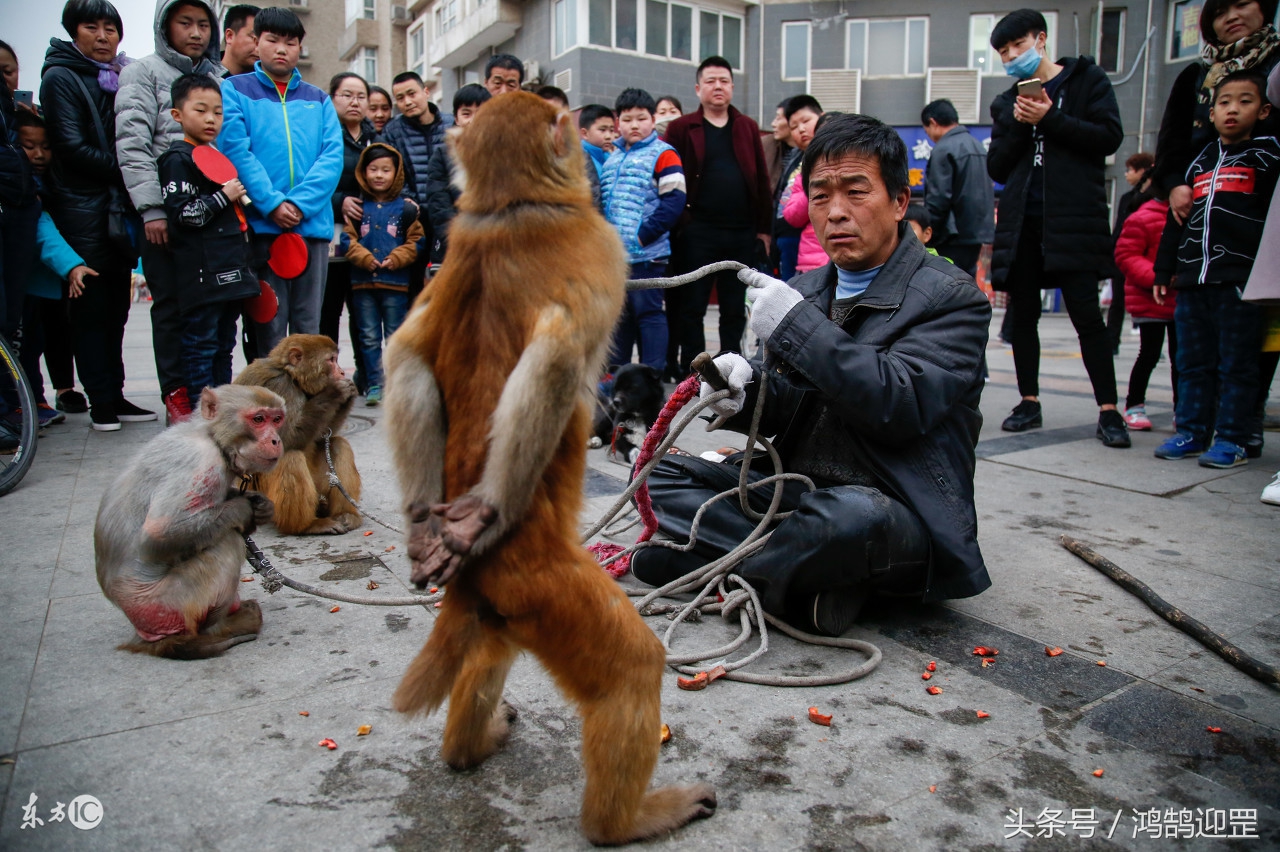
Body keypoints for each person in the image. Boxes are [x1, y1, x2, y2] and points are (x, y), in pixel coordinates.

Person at [633, 113, 991, 637]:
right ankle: (800, 584)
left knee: (849, 520)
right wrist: (746, 390)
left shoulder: (952, 297)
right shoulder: (807, 287)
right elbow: (793, 405)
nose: (836, 212)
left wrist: (798, 326)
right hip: (794, 491)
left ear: (898, 202)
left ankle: (710, 567)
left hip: (893, 505)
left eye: (856, 192)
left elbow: (896, 405)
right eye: (820, 196)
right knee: (660, 474)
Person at [985, 9, 1128, 448]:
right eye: (1004, 52)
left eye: (1017, 46)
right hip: (1024, 218)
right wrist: (1021, 126)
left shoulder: (1087, 81)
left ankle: (1108, 409)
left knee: (1086, 314)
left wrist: (1050, 118)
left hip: (1073, 218)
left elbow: (1108, 138)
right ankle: (1029, 400)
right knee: (1023, 314)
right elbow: (998, 167)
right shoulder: (1007, 102)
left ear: (1040, 39)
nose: (1011, 56)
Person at [1153, 0, 1280, 459]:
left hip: (1240, 276)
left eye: (1245, 102)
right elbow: (1178, 210)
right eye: (1223, 102)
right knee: (1192, 361)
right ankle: (1191, 428)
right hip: (1194, 277)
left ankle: (1234, 434)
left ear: (1265, 110)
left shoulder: (1266, 157)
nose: (1231, 110)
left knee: (1239, 362)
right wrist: (1165, 270)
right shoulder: (1199, 161)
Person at [42, 0, 158, 432]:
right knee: (91, 312)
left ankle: (116, 394)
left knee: (116, 311)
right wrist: (134, 167)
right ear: (75, 32)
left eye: (111, 27)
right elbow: (71, 147)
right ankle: (101, 403)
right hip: (81, 211)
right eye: (92, 27)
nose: (104, 36)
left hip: (115, 210)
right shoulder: (61, 76)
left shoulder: (118, 77)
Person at [115, 0, 223, 424]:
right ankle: (176, 395)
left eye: (202, 24)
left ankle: (215, 396)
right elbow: (131, 143)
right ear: (165, 25)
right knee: (171, 307)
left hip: (212, 215)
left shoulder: (218, 77)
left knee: (211, 309)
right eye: (185, 23)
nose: (196, 32)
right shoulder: (141, 72)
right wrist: (151, 209)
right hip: (166, 212)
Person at [218, 6, 343, 351]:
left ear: (300, 47)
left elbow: (331, 157)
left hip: (312, 227)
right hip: (263, 227)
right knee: (268, 324)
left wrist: (299, 205)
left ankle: (306, 403)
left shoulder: (318, 99)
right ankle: (272, 403)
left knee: (308, 326)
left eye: (291, 42)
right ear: (257, 43)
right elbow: (236, 152)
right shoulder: (235, 90)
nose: (281, 49)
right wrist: (272, 203)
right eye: (272, 40)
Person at [664, 56, 773, 377]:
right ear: (698, 88)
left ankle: (730, 366)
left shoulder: (747, 127)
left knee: (732, 308)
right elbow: (670, 179)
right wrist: (681, 225)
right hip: (697, 232)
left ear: (732, 87)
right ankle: (694, 369)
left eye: (724, 81)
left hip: (740, 232)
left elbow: (762, 182)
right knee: (692, 306)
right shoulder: (682, 128)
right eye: (710, 81)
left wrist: (763, 231)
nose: (718, 87)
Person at [158, 74, 260, 399]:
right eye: (200, 110)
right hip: (202, 277)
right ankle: (199, 419)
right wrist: (223, 196)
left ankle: (222, 412)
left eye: (217, 112)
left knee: (223, 346)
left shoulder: (218, 156)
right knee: (200, 346)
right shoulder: (177, 160)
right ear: (177, 115)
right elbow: (183, 215)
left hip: (231, 273)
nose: (210, 119)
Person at [12, 110, 94, 428]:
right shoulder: (21, 185)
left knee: (35, 342)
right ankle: (24, 404)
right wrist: (71, 264)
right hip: (25, 281)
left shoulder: (48, 182)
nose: (39, 154)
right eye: (29, 146)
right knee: (22, 346)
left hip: (41, 283)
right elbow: (41, 230)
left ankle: (33, 401)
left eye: (45, 146)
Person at [599, 88, 686, 370]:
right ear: (617, 123)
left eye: (641, 118)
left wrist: (643, 235)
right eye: (627, 119)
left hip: (648, 254)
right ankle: (617, 375)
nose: (634, 125)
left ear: (652, 120)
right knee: (619, 317)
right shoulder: (611, 160)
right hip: (614, 258)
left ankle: (651, 373)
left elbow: (674, 201)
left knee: (648, 314)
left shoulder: (664, 154)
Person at [341, 143, 423, 406]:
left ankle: (398, 383)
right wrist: (363, 258)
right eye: (373, 169)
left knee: (395, 334)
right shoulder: (357, 208)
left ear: (396, 173)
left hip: (395, 284)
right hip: (362, 283)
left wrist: (397, 258)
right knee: (368, 335)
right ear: (363, 173)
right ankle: (375, 383)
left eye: (386, 170)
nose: (379, 175)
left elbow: (417, 241)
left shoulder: (406, 209)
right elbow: (346, 239)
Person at [322, 71, 374, 393]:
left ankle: (367, 377)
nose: (355, 102)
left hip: (368, 240)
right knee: (327, 310)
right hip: (330, 236)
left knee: (363, 311)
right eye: (347, 95)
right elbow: (312, 180)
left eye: (361, 96)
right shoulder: (323, 136)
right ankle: (327, 377)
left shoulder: (377, 138)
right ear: (332, 99)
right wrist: (339, 201)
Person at [1, 37, 41, 437]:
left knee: (12, 321)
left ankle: (13, 407)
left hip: (17, 219)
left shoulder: (16, 119)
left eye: (9, 70)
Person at [382, 71, 452, 302]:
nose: (407, 101)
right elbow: (392, 173)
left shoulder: (451, 124)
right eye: (400, 98)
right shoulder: (392, 131)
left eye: (411, 93)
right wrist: (408, 200)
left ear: (426, 91)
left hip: (449, 217)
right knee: (414, 288)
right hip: (414, 218)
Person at [1114, 192, 1175, 432]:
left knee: (1183, 359)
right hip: (1151, 297)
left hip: (1184, 295)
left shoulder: (1192, 214)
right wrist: (1158, 278)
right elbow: (1126, 254)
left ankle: (1185, 408)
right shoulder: (1145, 216)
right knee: (1149, 353)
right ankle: (1134, 404)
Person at [920, 98, 995, 278]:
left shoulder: (944, 149)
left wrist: (928, 231)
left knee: (947, 284)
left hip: (951, 235)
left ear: (933, 122)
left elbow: (939, 198)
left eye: (926, 131)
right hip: (975, 233)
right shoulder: (977, 146)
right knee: (966, 282)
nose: (928, 136)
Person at [424, 83, 490, 267]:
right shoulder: (442, 156)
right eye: (466, 113)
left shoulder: (502, 156)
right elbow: (439, 205)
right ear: (456, 118)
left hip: (495, 248)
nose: (473, 120)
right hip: (454, 248)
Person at [1106, 152, 1156, 353]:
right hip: (1123, 258)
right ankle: (1112, 342)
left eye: (1130, 170)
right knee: (1117, 301)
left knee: (1147, 302)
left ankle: (1150, 344)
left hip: (1145, 258)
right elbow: (1118, 230)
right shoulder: (1127, 198)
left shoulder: (1154, 198)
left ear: (1143, 171)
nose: (1127, 174)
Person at [781, 98, 827, 274]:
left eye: (806, 121)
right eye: (793, 127)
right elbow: (789, 211)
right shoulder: (796, 162)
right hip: (804, 254)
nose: (801, 129)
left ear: (821, 118)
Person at [770, 96, 802, 281]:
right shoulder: (778, 150)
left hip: (798, 238)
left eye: (779, 118)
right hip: (780, 236)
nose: (774, 123)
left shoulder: (810, 156)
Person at [220, 4, 259, 77]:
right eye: (254, 38)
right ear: (229, 36)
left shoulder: (268, 84)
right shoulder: (203, 76)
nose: (259, 47)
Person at [578, 104, 617, 174]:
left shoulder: (609, 157)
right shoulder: (578, 161)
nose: (608, 136)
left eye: (611, 130)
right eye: (602, 130)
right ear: (585, 133)